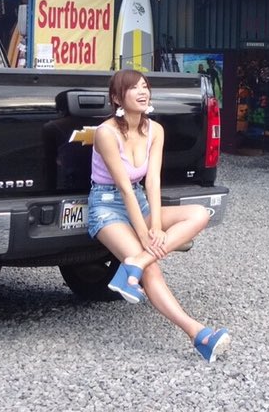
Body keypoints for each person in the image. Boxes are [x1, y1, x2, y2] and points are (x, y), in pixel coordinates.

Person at [87, 69, 231, 361]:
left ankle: (134, 266)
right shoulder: (105, 133)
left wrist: (155, 226)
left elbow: (152, 181)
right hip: (107, 205)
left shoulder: (155, 130)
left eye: (145, 86)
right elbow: (123, 188)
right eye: (134, 88)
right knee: (153, 270)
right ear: (117, 98)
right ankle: (199, 335)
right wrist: (145, 237)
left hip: (139, 201)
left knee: (200, 214)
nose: (143, 92)